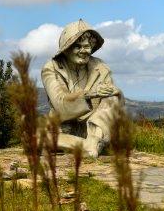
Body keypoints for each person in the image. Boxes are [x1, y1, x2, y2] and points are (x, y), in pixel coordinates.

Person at [41, 19, 124, 157]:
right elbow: (60, 102)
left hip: (93, 129)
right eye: (78, 46)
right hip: (62, 127)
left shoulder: (100, 68)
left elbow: (113, 109)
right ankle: (87, 146)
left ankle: (93, 141)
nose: (83, 51)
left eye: (87, 46)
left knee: (112, 97)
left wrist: (116, 93)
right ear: (66, 49)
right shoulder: (52, 68)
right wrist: (89, 95)